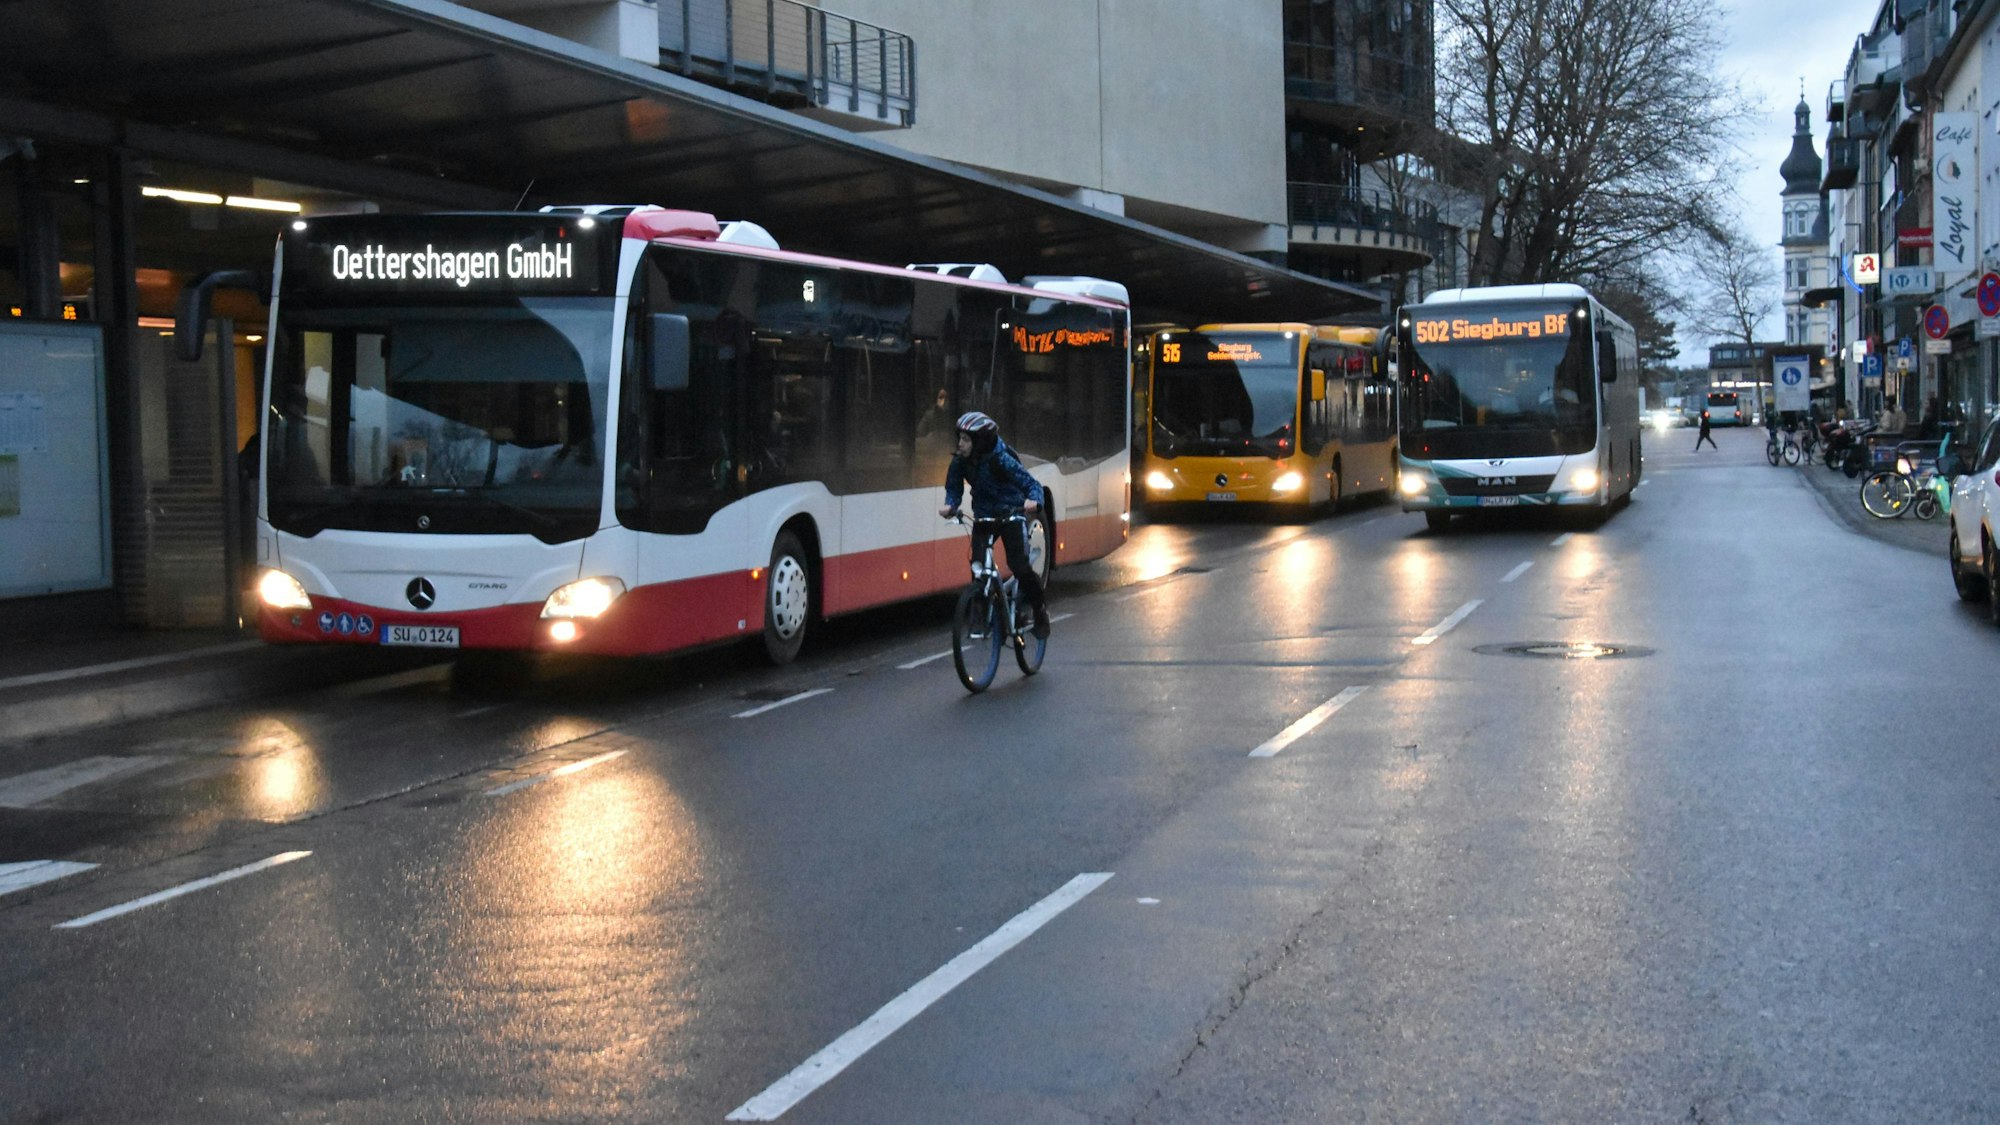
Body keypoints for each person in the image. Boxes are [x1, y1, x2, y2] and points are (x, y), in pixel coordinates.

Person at [938, 411, 1049, 639]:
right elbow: (954, 487)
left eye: (966, 439)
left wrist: (1034, 501)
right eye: (959, 438)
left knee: (1019, 565)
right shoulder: (960, 461)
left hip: (1011, 513)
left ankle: (1039, 610)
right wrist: (951, 505)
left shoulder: (1001, 459)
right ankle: (979, 615)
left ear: (979, 442)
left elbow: (1031, 484)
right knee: (978, 565)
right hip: (985, 516)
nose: (960, 444)